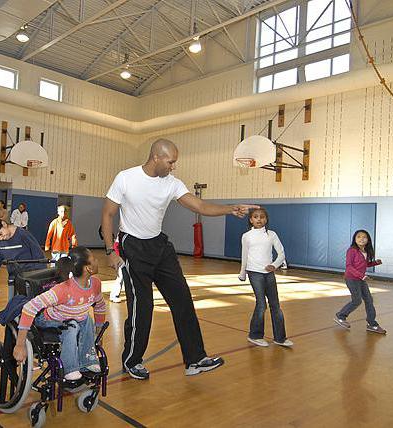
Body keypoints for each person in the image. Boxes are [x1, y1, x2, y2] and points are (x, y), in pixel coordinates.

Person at [101, 138, 258, 380]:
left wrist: (230, 209)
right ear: (156, 157)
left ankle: (195, 359)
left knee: (182, 300)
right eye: (171, 161)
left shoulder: (172, 184)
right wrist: (111, 251)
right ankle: (132, 360)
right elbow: (108, 213)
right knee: (142, 307)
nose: (174, 166)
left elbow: (199, 205)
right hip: (133, 246)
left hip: (160, 246)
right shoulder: (126, 177)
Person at [14, 246, 106, 382]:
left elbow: (100, 305)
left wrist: (98, 331)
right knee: (72, 325)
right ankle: (69, 369)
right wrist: (20, 344)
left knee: (87, 320)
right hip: (48, 320)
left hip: (75, 318)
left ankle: (87, 361)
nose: (97, 260)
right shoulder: (63, 289)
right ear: (88, 268)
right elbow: (29, 307)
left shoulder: (96, 284)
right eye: (93, 259)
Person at [238, 208, 293, 348]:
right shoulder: (247, 236)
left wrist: (274, 265)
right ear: (251, 219)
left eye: (262, 217)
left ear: (266, 219)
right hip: (254, 272)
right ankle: (255, 335)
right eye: (255, 217)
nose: (259, 219)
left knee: (275, 305)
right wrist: (242, 272)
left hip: (269, 273)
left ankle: (280, 338)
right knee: (261, 304)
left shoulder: (271, 235)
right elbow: (244, 255)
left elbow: (281, 253)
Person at [0, 217, 47, 300]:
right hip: (14, 281)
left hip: (31, 280)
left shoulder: (23, 235)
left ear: (4, 224)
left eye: (0, 234)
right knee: (14, 306)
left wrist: (41, 280)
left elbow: (39, 256)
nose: (0, 238)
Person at [334, 230, 386, 334]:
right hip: (352, 279)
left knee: (369, 300)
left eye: (364, 237)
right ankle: (341, 316)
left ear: (368, 240)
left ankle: (372, 324)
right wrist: (361, 276)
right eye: (359, 237)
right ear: (354, 239)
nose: (361, 239)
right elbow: (349, 267)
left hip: (361, 279)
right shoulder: (352, 250)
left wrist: (375, 263)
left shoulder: (365, 251)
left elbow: (363, 265)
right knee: (357, 300)